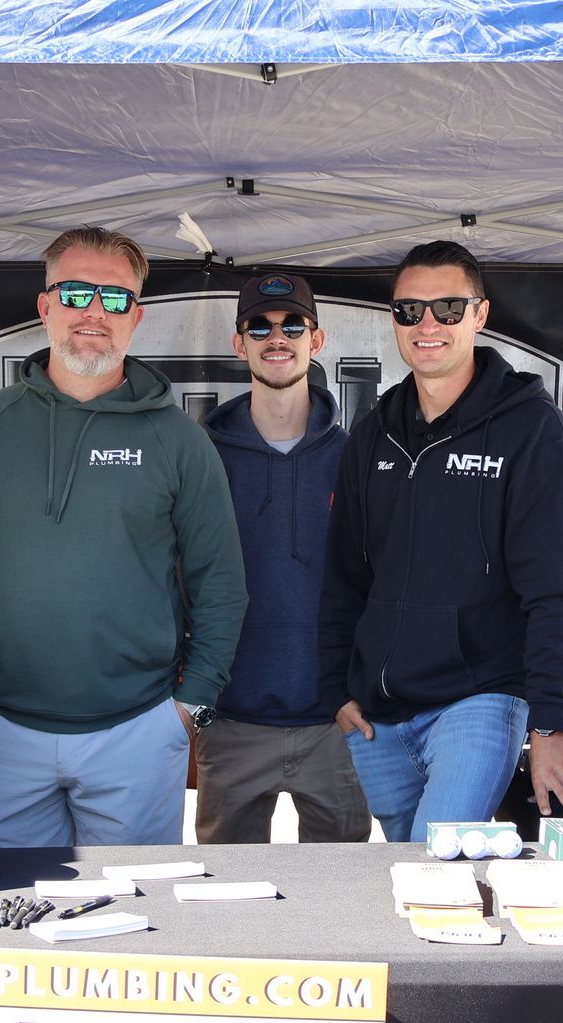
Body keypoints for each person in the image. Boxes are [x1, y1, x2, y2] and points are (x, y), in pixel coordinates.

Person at [0, 226, 246, 848]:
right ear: (45, 306)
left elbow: (220, 583)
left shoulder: (179, 440)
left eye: (115, 298)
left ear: (135, 317)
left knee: (137, 905)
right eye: (75, 293)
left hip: (138, 732)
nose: (95, 311)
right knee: (14, 909)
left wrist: (190, 706)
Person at [319, 240, 563, 840]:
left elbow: (559, 588)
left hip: (480, 702)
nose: (428, 325)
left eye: (447, 308)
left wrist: (550, 724)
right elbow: (344, 575)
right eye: (409, 310)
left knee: (433, 862)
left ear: (480, 315)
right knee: (407, 874)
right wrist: (338, 689)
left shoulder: (533, 430)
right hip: (379, 720)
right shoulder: (372, 434)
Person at [196, 273, 369, 844]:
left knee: (343, 891)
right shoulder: (201, 457)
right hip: (231, 721)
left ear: (316, 341)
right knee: (226, 891)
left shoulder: (358, 458)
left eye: (294, 325)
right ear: (238, 342)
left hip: (336, 723)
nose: (278, 337)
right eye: (260, 326)